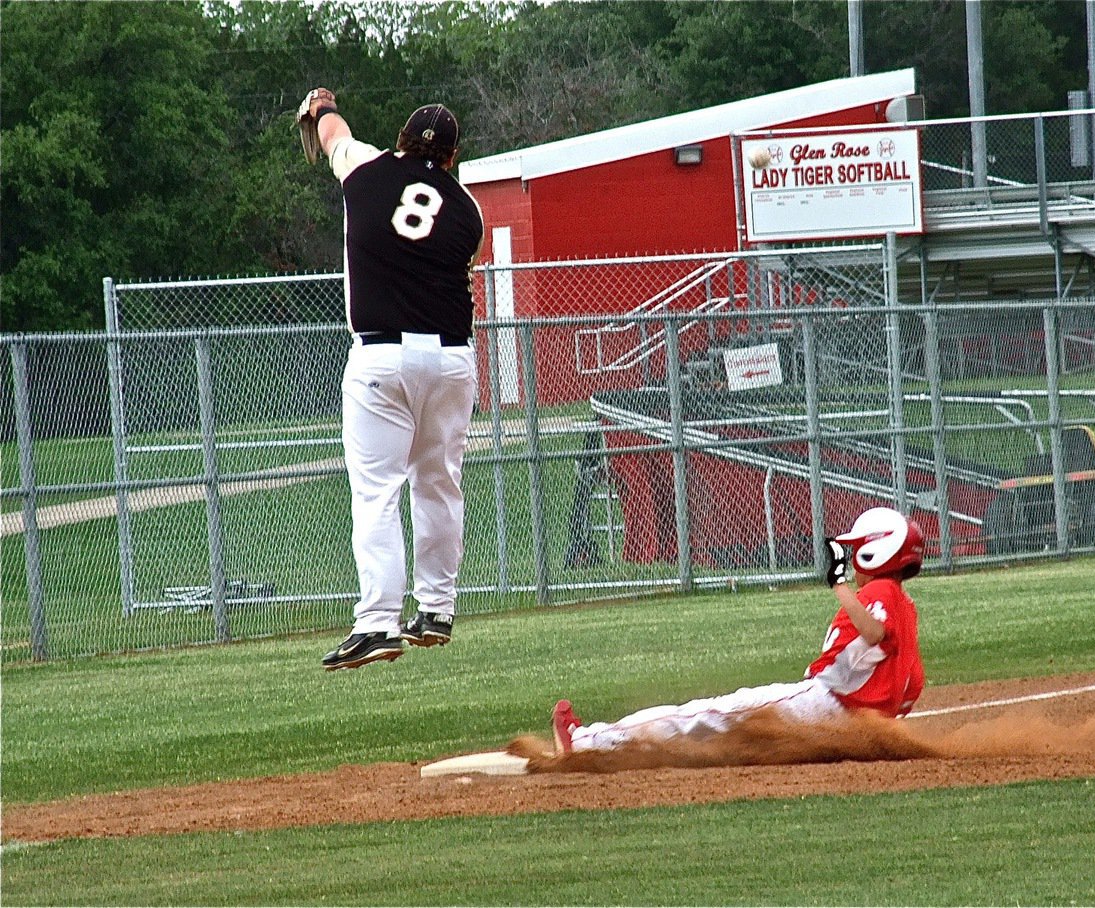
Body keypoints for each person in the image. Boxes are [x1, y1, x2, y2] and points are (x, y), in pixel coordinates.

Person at [299, 88, 485, 671]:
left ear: (402, 140)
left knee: (377, 492)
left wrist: (321, 106)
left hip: (382, 357)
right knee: (439, 483)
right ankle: (436, 609)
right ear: (451, 157)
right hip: (453, 361)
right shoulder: (469, 209)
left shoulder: (366, 167)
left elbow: (333, 135)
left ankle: (378, 622)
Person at [551, 506, 926, 753]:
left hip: (822, 701)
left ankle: (586, 741)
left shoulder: (878, 590)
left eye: (855, 551)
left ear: (874, 553)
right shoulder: (906, 608)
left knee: (706, 714)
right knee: (730, 733)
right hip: (851, 723)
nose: (849, 562)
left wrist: (838, 584)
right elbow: (912, 687)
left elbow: (874, 633)